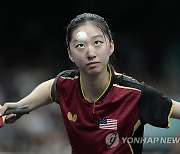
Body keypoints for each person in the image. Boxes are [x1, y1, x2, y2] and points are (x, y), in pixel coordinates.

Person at [0, 12, 180, 154]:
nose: (90, 53)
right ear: (70, 53)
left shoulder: (136, 94)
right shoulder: (66, 85)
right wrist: (22, 105)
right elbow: (51, 87)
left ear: (111, 46)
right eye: (80, 45)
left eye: (97, 42)